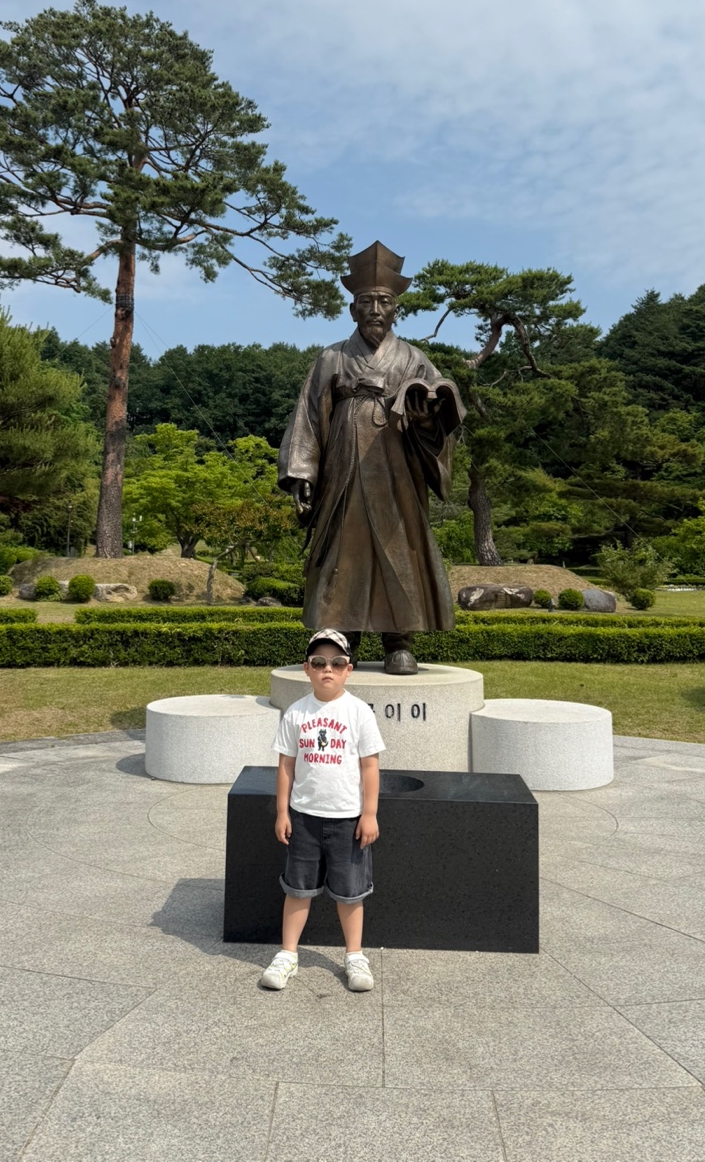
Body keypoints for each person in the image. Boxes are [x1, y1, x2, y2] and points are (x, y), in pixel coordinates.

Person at [278, 240, 464, 675]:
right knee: (343, 549)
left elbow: (440, 412)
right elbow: (309, 415)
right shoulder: (331, 358)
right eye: (366, 302)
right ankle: (342, 640)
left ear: (396, 309)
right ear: (352, 309)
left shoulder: (415, 358)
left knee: (401, 547)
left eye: (384, 302)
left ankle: (399, 642)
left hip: (397, 466)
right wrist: (302, 472)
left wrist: (425, 417)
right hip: (343, 465)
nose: (375, 309)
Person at [260, 629, 385, 992]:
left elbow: (370, 766)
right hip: (304, 817)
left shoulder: (359, 712)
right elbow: (286, 765)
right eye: (318, 662)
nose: (327, 669)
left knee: (351, 893)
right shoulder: (297, 713)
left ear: (348, 670)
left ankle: (354, 956)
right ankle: (288, 954)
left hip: (348, 819)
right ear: (307, 669)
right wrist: (282, 812)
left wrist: (369, 813)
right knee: (297, 889)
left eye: (337, 662)